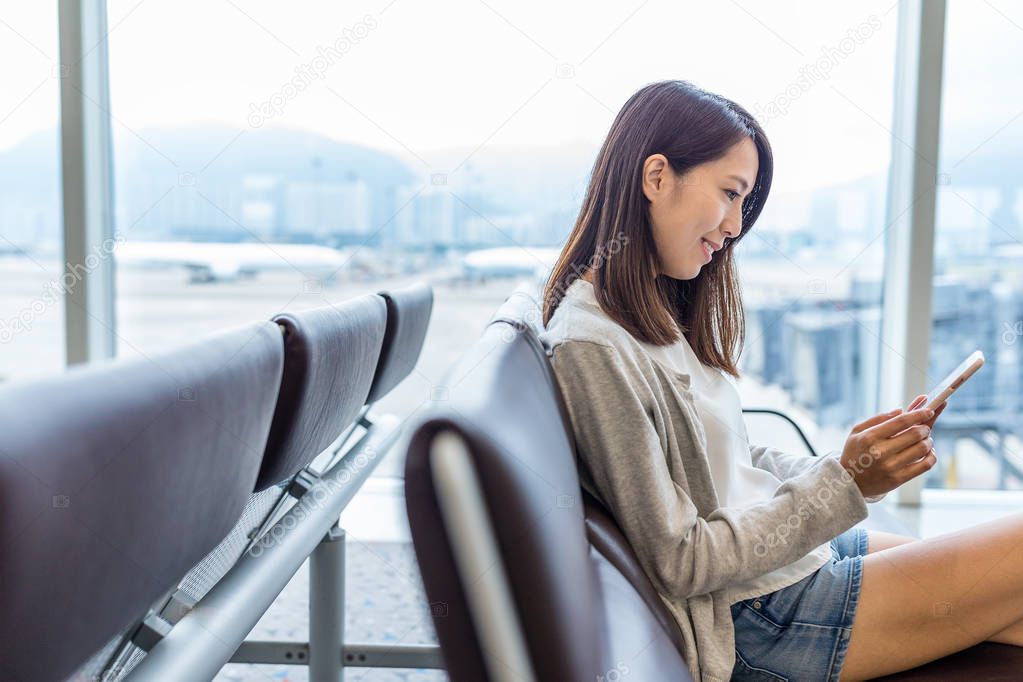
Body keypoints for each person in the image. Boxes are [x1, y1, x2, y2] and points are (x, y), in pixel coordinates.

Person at [539, 80, 1021, 681]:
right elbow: (681, 560)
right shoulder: (593, 345)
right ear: (656, 177)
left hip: (782, 565)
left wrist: (846, 468)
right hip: (755, 617)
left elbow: (725, 459)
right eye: (731, 194)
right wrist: (842, 484)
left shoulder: (646, 314)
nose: (737, 225)